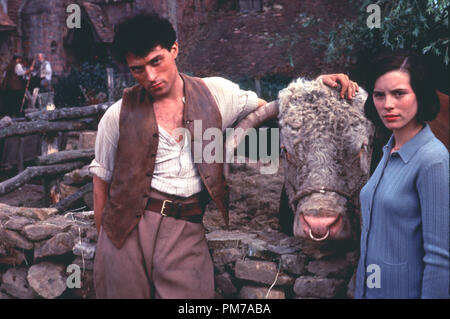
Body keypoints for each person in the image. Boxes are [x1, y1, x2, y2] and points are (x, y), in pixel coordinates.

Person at [89, 13, 358, 299]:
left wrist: (316, 87)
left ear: (174, 50)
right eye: (138, 69)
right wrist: (110, 245)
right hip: (125, 230)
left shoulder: (217, 93)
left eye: (157, 61)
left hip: (185, 227)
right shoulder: (115, 115)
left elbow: (280, 108)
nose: (151, 76)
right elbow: (100, 185)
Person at [355, 51, 449, 299]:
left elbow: (440, 258)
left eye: (399, 93)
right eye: (379, 95)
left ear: (420, 94)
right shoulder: (388, 150)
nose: (388, 105)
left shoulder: (432, 159)